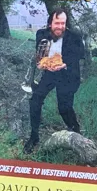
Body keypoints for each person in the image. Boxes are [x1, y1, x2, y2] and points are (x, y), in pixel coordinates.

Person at [25, 9, 85, 152]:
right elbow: (40, 55)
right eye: (57, 23)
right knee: (35, 100)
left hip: (68, 74)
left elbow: (79, 56)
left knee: (64, 108)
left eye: (63, 23)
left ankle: (75, 130)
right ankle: (34, 137)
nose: (60, 27)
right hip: (49, 73)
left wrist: (64, 64)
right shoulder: (42, 34)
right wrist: (41, 63)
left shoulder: (74, 37)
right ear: (50, 23)